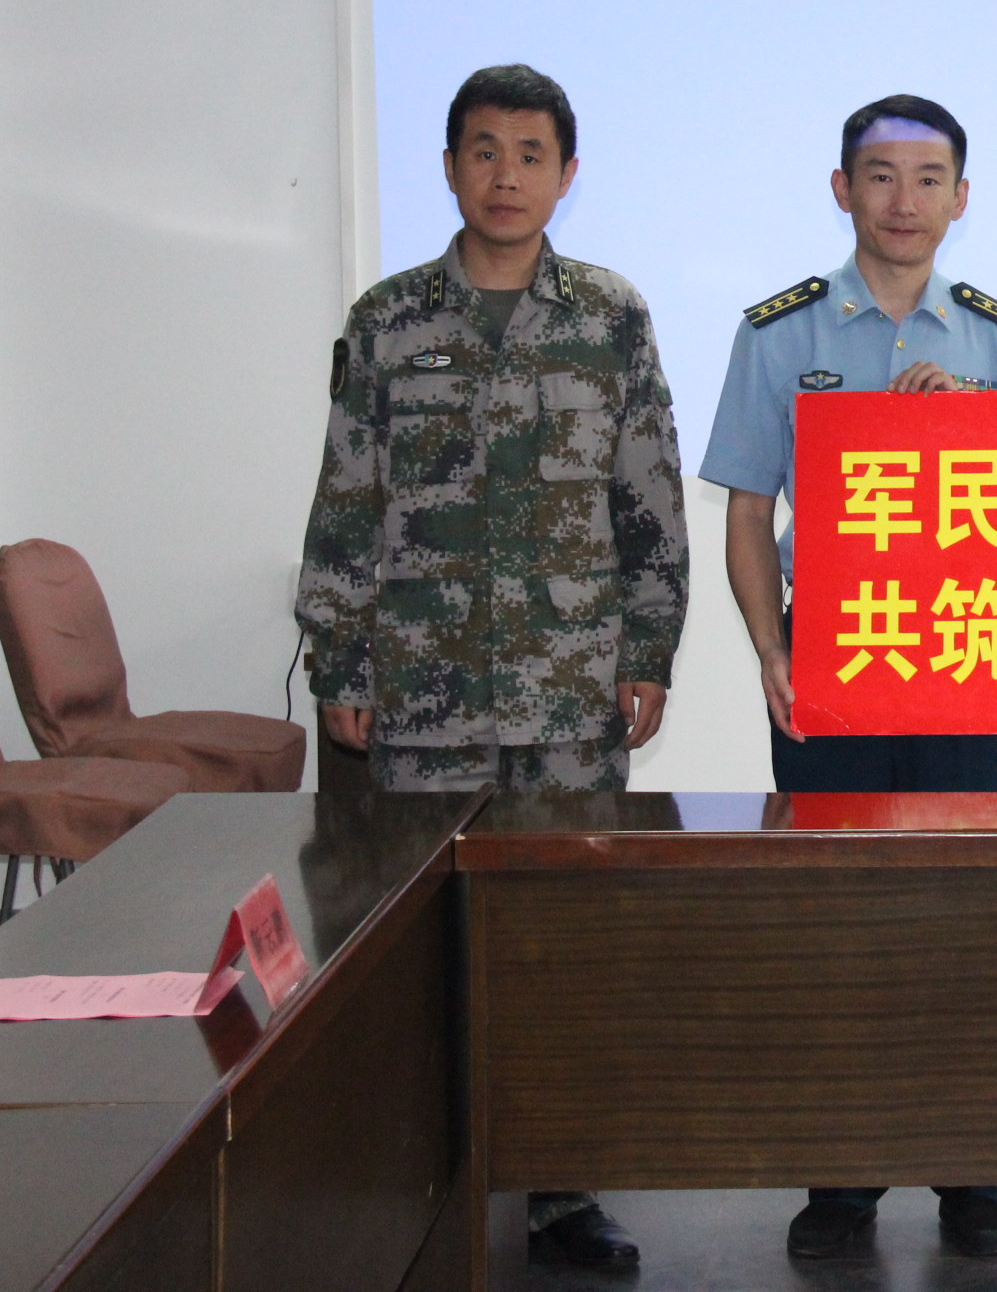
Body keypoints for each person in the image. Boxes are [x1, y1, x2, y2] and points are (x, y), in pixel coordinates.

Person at [295, 63, 687, 1271]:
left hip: (570, 698)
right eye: (482, 150)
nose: (505, 175)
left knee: (566, 941)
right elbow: (347, 501)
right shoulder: (389, 321)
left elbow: (649, 497)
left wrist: (649, 649)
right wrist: (340, 658)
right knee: (420, 947)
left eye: (530, 154)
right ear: (449, 167)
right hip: (425, 697)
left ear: (566, 175)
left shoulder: (610, 317)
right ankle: (421, 1182)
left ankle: (564, 1189)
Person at [700, 93, 997, 1261]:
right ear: (843, 190)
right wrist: (771, 650)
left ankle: (973, 1178)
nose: (905, 200)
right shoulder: (778, 334)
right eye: (881, 176)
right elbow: (748, 512)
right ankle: (841, 1179)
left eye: (929, 178)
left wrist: (982, 424)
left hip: (970, 652)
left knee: (968, 911)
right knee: (834, 910)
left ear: (961, 197)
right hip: (834, 657)